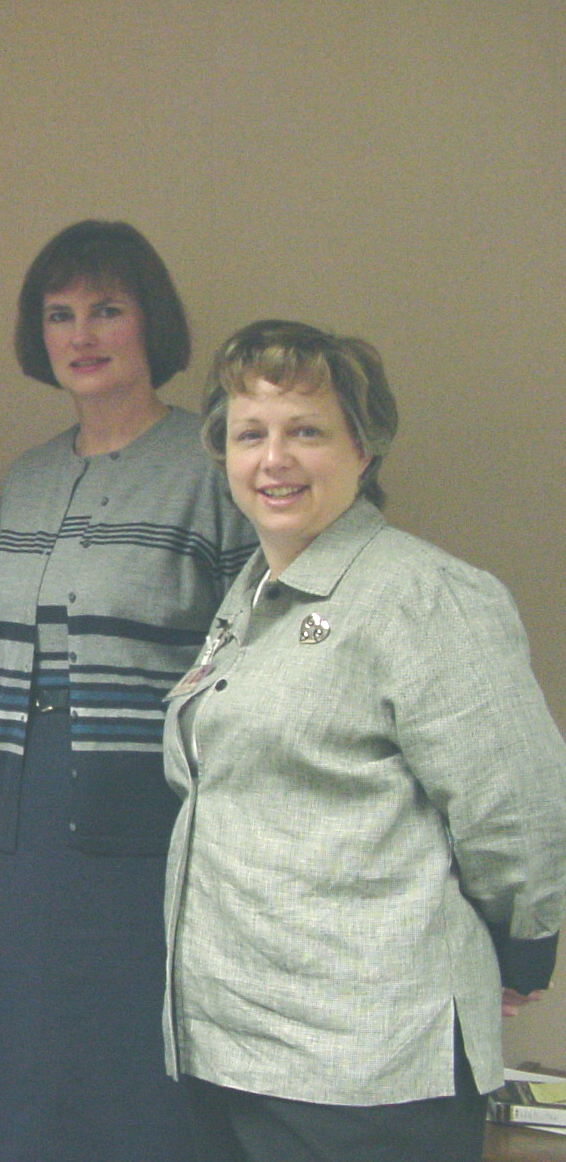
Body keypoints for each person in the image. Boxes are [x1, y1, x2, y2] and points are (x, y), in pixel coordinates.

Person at [162, 319, 566, 1162]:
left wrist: (522, 950)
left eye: (307, 430)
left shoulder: (423, 596)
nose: (275, 459)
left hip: (368, 1070)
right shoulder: (253, 596)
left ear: (365, 448)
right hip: (241, 1051)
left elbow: (520, 805)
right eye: (250, 434)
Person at [0, 219, 257, 1162]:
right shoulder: (26, 478)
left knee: (141, 1088)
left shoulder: (215, 467)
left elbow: (260, 659)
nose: (82, 334)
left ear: (151, 325)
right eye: (60, 314)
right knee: (31, 1077)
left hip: (158, 828)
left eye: (107, 308)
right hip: (25, 830)